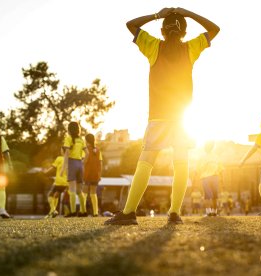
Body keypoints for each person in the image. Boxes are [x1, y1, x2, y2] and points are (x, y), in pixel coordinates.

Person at [105, 7, 220, 225]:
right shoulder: (190, 48)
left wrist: (157, 15)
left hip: (158, 116)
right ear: (185, 32)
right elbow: (215, 29)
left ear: (162, 30)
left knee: (146, 160)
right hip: (182, 118)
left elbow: (131, 25)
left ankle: (129, 213)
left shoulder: (153, 46)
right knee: (181, 163)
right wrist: (190, 14)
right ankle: (175, 213)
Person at [60, 121, 89, 217]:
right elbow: (87, 153)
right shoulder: (81, 140)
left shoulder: (68, 139)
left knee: (71, 189)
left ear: (69, 129)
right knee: (79, 190)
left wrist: (63, 168)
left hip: (72, 163)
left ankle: (72, 212)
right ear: (78, 129)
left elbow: (67, 153)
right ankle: (83, 211)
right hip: (80, 163)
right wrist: (82, 163)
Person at [195, 141, 224, 216]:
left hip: (206, 178)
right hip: (215, 177)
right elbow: (221, 169)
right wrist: (222, 179)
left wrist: (196, 178)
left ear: (206, 148)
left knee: (207, 196)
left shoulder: (202, 157)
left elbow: (197, 169)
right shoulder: (216, 157)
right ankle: (214, 212)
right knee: (215, 196)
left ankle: (208, 212)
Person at [43, 147, 69, 218]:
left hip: (59, 181)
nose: (60, 151)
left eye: (61, 150)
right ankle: (51, 212)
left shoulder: (59, 158)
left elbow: (53, 168)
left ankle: (53, 210)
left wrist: (45, 172)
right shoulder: (69, 160)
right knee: (56, 195)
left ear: (63, 151)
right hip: (66, 182)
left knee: (49, 195)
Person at [82, 133, 103, 217]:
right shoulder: (98, 150)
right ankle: (95, 212)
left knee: (84, 193)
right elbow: (100, 163)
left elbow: (83, 162)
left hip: (86, 174)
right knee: (93, 193)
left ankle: (82, 211)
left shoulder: (85, 150)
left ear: (86, 140)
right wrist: (99, 174)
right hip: (95, 174)